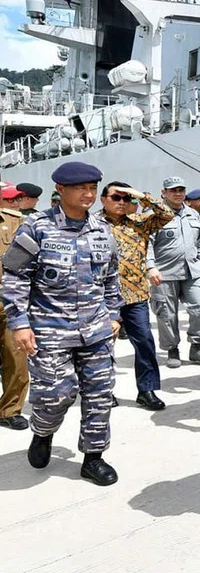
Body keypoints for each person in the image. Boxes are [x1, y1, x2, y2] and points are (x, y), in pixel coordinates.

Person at [2, 161, 123, 485]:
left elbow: (111, 277)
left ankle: (93, 458)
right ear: (61, 190)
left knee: (100, 394)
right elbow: (14, 277)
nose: (88, 194)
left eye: (92, 188)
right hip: (50, 330)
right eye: (80, 188)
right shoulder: (37, 227)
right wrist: (20, 323)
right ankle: (42, 433)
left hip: (95, 330)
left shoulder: (101, 229)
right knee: (56, 394)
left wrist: (114, 313)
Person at [99, 181, 174, 411]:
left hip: (135, 296)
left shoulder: (139, 223)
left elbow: (167, 214)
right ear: (103, 199)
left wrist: (141, 196)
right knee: (102, 346)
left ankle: (147, 390)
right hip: (101, 297)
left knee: (144, 343)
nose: (122, 202)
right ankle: (103, 391)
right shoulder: (91, 224)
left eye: (126, 199)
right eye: (116, 197)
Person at [147, 176, 200, 368]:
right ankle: (172, 349)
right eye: (173, 190)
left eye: (181, 190)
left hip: (192, 271)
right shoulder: (155, 215)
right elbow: (147, 245)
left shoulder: (193, 214)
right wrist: (151, 267)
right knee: (166, 314)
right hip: (164, 273)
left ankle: (197, 347)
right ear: (164, 193)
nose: (178, 193)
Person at [0, 205, 28, 430]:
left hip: (7, 301)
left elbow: (27, 261)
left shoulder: (15, 221)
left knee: (16, 358)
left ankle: (10, 410)